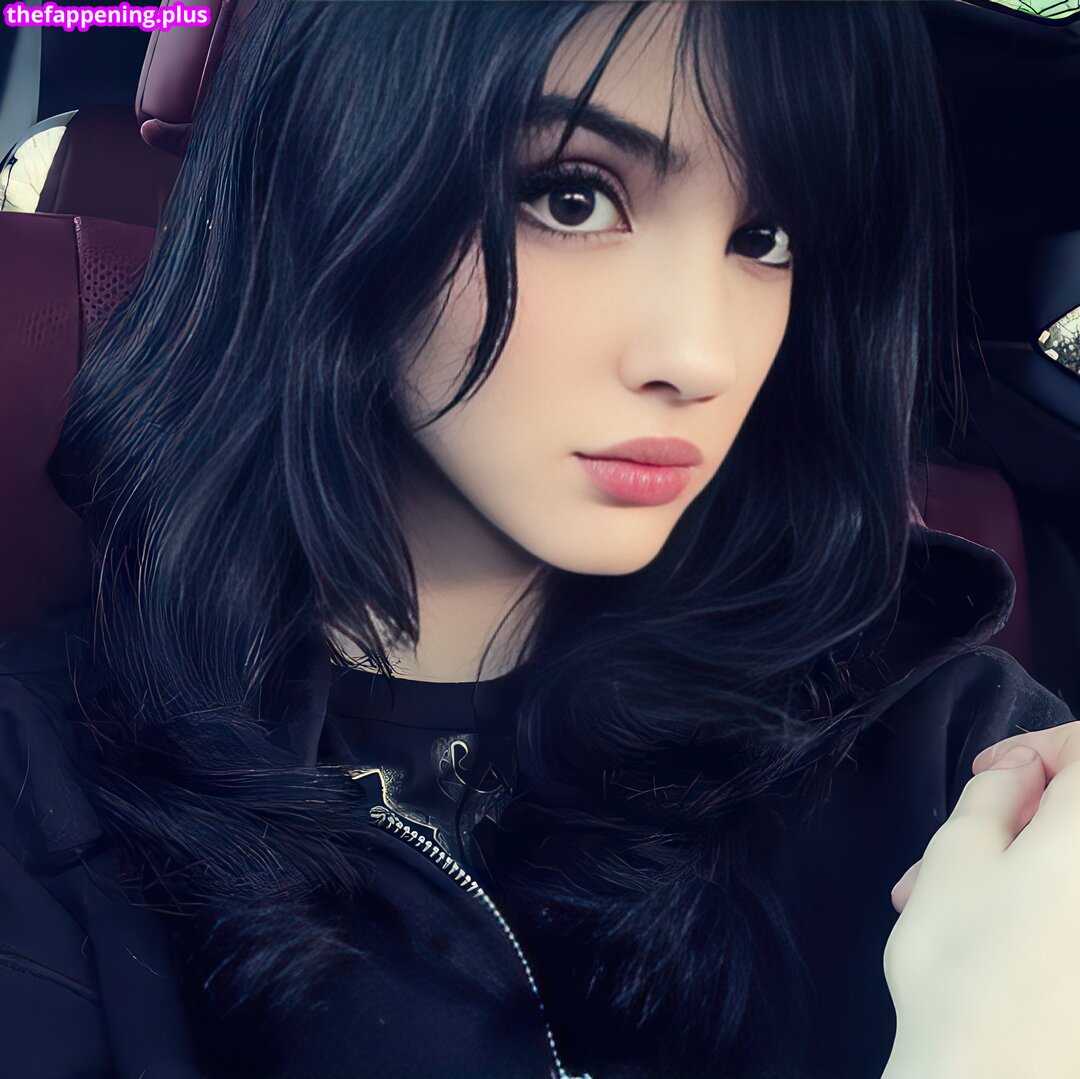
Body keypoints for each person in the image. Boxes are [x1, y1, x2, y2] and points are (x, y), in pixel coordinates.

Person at [1, 2, 1077, 1077]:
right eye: (573, 198)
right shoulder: (38, 799)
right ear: (327, 178)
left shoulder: (954, 740)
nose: (699, 356)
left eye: (767, 239)